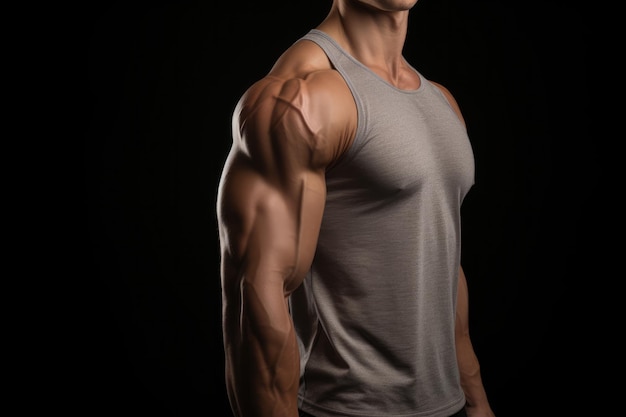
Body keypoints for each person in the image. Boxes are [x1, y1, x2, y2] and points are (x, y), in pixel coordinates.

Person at [216, 1, 496, 416]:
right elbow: (256, 292)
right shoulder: (300, 97)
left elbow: (438, 256)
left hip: (447, 404)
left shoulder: (441, 102)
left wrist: (476, 400)